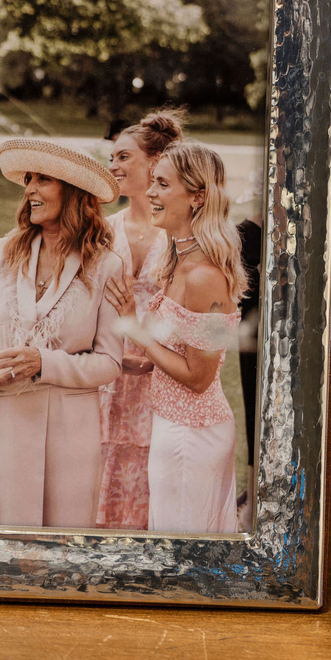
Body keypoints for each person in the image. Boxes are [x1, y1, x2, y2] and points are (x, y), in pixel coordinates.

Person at [0, 138, 125, 528]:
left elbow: (110, 363)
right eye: (29, 179)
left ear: (73, 191)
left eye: (43, 179)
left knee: (49, 558)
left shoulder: (106, 266)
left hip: (64, 433)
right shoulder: (1, 251)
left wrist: (42, 363)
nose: (29, 189)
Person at [106, 141, 246, 534]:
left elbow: (199, 377)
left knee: (185, 557)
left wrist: (133, 327)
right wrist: (127, 362)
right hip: (172, 425)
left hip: (193, 436)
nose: (149, 192)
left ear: (198, 195)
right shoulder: (178, 258)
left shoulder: (204, 276)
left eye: (162, 184)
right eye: (152, 182)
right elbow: (177, 350)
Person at [97, 111, 184, 530]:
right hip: (104, 379)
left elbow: (201, 316)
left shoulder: (181, 235)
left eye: (123, 157)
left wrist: (154, 355)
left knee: (153, 486)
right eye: (111, 157)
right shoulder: (100, 231)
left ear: (156, 162)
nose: (113, 166)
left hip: (161, 382)